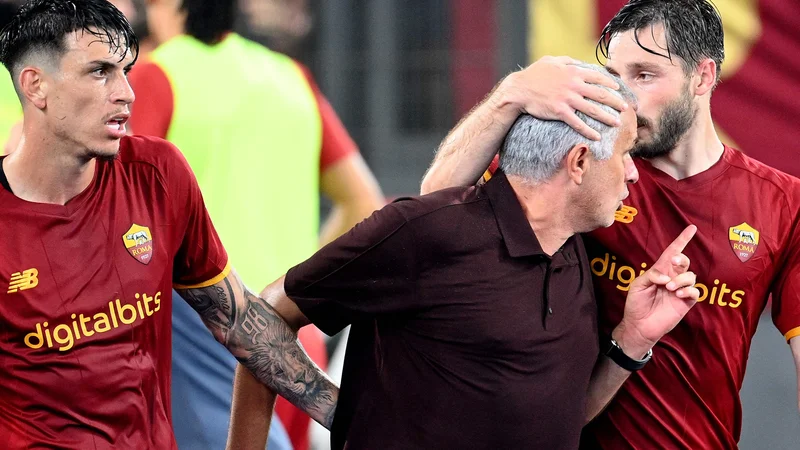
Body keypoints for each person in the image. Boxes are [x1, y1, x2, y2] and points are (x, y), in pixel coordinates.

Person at [227, 64, 700, 449]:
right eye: (625, 155)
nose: (635, 176)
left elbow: (562, 420)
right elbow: (266, 315)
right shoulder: (429, 230)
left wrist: (631, 341)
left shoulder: (573, 254)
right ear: (578, 162)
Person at [420, 1, 800, 449]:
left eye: (644, 75)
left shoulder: (784, 203)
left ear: (703, 76)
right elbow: (435, 203)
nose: (625, 98)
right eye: (616, 77)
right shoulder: (580, 165)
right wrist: (509, 94)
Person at [0, 1, 337, 448]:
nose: (126, 92)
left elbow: (239, 321)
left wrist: (350, 413)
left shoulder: (159, 172)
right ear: (35, 85)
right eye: (100, 72)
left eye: (126, 70)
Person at [126, 1, 384, 449]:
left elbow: (115, 201)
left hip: (208, 348)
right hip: (296, 345)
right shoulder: (290, 77)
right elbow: (363, 200)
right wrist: (300, 282)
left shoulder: (154, 77)